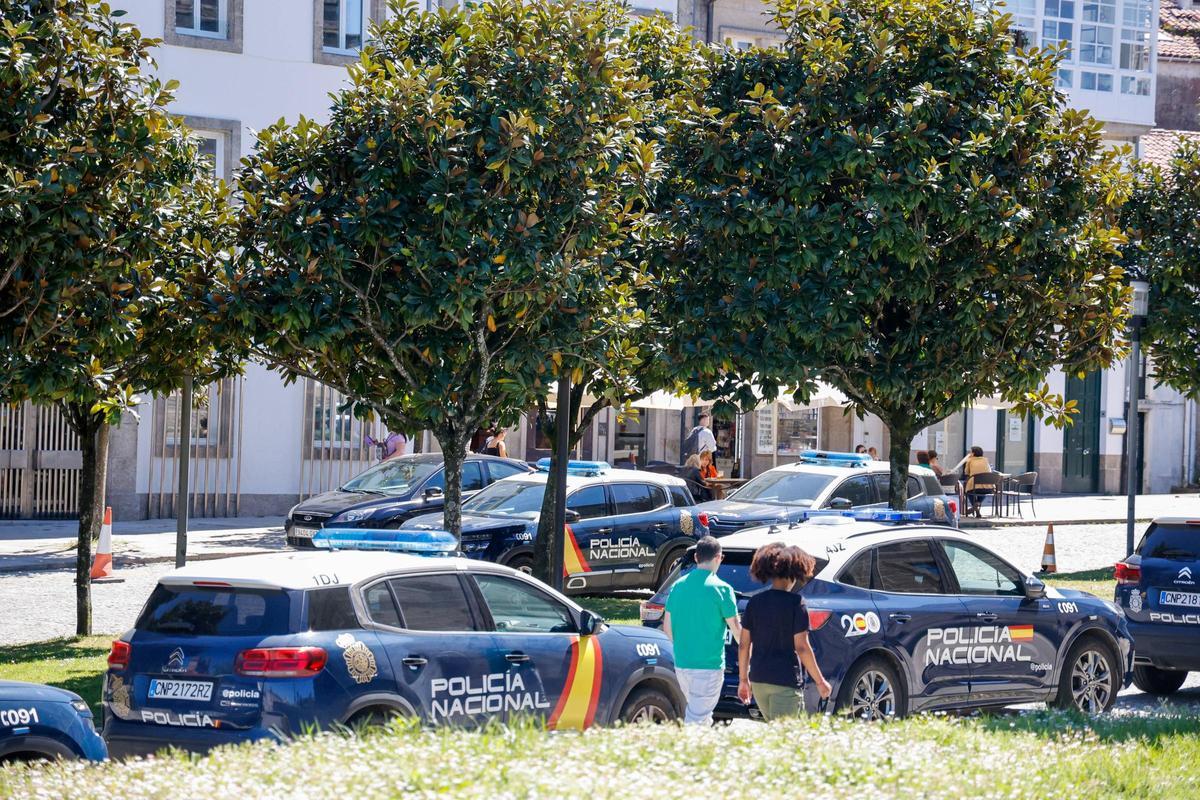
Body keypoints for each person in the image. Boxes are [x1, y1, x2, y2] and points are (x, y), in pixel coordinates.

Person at [737, 543, 832, 719]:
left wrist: (744, 680)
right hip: (784, 681)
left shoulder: (754, 602)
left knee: (775, 736)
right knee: (784, 740)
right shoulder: (797, 603)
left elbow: (744, 645)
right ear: (793, 574)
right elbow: (802, 647)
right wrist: (820, 681)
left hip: (758, 680)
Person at [664, 536, 741, 725]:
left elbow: (667, 628)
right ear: (719, 558)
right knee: (697, 719)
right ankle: (689, 752)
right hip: (709, 667)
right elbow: (737, 630)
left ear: (696, 558)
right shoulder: (723, 589)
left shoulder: (678, 586)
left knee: (700, 714)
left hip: (681, 665)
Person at [962, 446, 995, 518]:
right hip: (988, 487)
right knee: (983, 491)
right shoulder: (986, 460)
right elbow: (989, 470)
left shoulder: (970, 460)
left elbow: (966, 472)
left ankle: (976, 506)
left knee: (968, 492)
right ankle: (978, 503)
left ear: (973, 453)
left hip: (974, 486)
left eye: (970, 452)